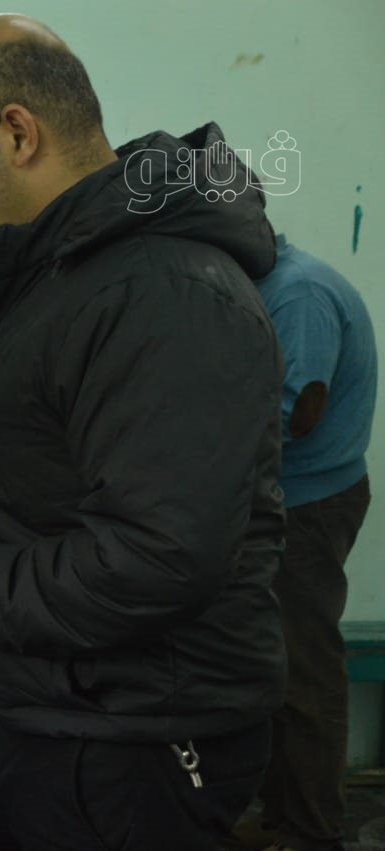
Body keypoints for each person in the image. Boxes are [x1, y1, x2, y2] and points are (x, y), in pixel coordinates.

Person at [0, 14, 287, 850]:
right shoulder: (74, 275)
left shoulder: (161, 292)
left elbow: (159, 555)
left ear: (18, 134)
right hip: (75, 719)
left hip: (132, 749)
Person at [242, 237, 375, 851]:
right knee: (273, 667)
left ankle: (312, 835)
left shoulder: (299, 293)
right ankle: (280, 820)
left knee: (305, 674)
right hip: (280, 499)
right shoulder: (263, 283)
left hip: (308, 505)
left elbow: (291, 414)